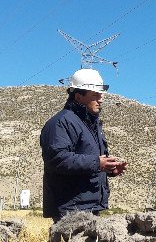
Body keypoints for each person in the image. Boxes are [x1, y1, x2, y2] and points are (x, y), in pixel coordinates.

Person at [40, 68, 127, 222]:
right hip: (70, 210)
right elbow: (58, 159)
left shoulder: (91, 125)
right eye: (95, 95)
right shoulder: (61, 123)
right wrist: (97, 163)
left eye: (101, 95)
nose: (101, 99)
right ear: (79, 97)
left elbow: (90, 163)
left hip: (89, 207)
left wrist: (109, 169)